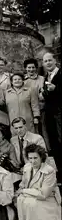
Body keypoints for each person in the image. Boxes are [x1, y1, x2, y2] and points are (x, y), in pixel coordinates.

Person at [16, 143, 62, 220]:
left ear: (41, 157)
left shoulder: (49, 171)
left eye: (35, 158)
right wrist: (22, 188)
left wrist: (24, 191)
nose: (32, 161)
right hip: (32, 195)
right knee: (20, 200)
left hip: (48, 199)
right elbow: (23, 183)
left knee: (31, 203)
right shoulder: (27, 167)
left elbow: (44, 194)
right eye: (30, 158)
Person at [41, 52, 62, 182]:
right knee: (55, 145)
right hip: (50, 116)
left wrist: (57, 88)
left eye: (50, 60)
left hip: (59, 115)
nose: (48, 63)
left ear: (55, 61)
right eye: (45, 61)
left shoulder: (60, 74)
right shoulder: (46, 77)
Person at [23, 58, 48, 148]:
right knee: (32, 130)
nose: (31, 69)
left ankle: (46, 149)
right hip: (28, 108)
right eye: (29, 67)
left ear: (36, 68)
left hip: (42, 108)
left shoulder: (42, 79)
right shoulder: (23, 80)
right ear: (25, 68)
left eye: (33, 67)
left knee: (44, 130)